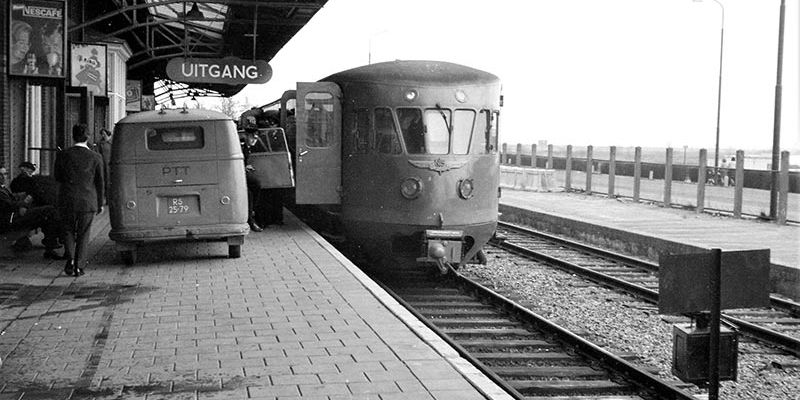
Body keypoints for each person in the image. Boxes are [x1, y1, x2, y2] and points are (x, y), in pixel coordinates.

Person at [55, 124, 104, 277]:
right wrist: (100, 203)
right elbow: (100, 181)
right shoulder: (96, 157)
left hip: (67, 199)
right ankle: (79, 266)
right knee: (83, 234)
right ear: (88, 137)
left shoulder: (63, 155)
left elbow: (57, 177)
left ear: (73, 136)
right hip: (87, 201)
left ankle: (69, 260)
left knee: (68, 231)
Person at [0, 166, 62, 258]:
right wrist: (24, 203)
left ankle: (50, 247)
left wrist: (25, 196)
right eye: (0, 175)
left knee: (46, 215)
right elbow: (8, 204)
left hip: (14, 216)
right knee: (49, 211)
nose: (3, 177)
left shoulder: (3, 188)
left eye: (5, 174)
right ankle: (52, 244)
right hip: (10, 220)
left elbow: (12, 198)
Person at [240, 117, 267, 232]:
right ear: (246, 135)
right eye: (253, 137)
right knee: (255, 186)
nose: (255, 139)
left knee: (252, 191)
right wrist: (244, 166)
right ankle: (251, 218)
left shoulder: (248, 147)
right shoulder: (241, 147)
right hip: (239, 174)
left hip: (242, 173)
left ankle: (252, 216)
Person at [96, 128, 113, 203]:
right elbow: (98, 153)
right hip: (103, 164)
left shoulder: (112, 142)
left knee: (110, 181)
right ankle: (105, 198)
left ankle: (110, 198)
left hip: (111, 164)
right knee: (104, 181)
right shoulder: (100, 143)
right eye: (102, 134)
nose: (103, 136)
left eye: (104, 134)